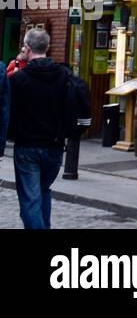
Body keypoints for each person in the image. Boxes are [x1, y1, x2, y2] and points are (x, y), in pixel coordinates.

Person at [7, 28, 88, 230]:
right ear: (48, 47)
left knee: (30, 200)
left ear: (27, 48)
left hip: (27, 146)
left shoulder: (19, 79)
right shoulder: (64, 76)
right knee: (43, 191)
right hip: (54, 146)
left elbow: (8, 111)